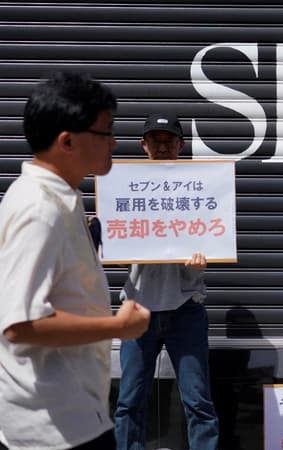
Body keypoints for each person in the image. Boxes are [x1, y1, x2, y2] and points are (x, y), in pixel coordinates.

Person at [0, 72, 151, 449]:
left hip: (70, 412)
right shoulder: (39, 209)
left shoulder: (59, 199)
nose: (114, 143)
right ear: (67, 141)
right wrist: (118, 327)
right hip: (52, 427)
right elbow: (22, 323)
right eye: (106, 132)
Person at [113, 113, 220, 450]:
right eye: (155, 141)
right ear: (143, 145)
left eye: (168, 141)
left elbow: (216, 235)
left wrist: (206, 256)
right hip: (137, 310)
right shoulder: (125, 186)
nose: (162, 147)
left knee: (198, 401)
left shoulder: (199, 188)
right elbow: (114, 246)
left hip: (185, 307)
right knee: (129, 402)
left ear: (181, 145)